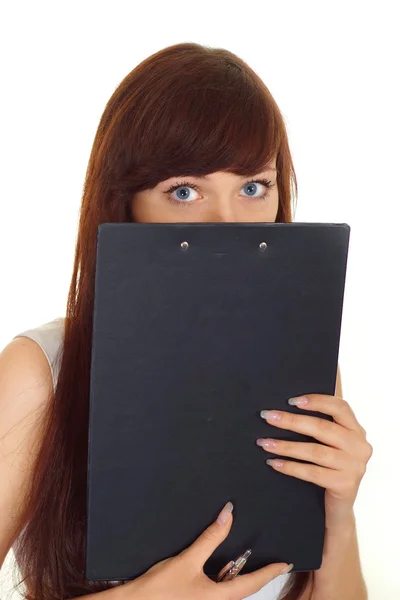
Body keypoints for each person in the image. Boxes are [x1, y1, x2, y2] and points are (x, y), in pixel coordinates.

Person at [0, 42, 372, 600]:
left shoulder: (305, 372)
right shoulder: (42, 370)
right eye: (183, 190)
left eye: (252, 187)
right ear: (124, 202)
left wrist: (339, 514)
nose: (227, 224)